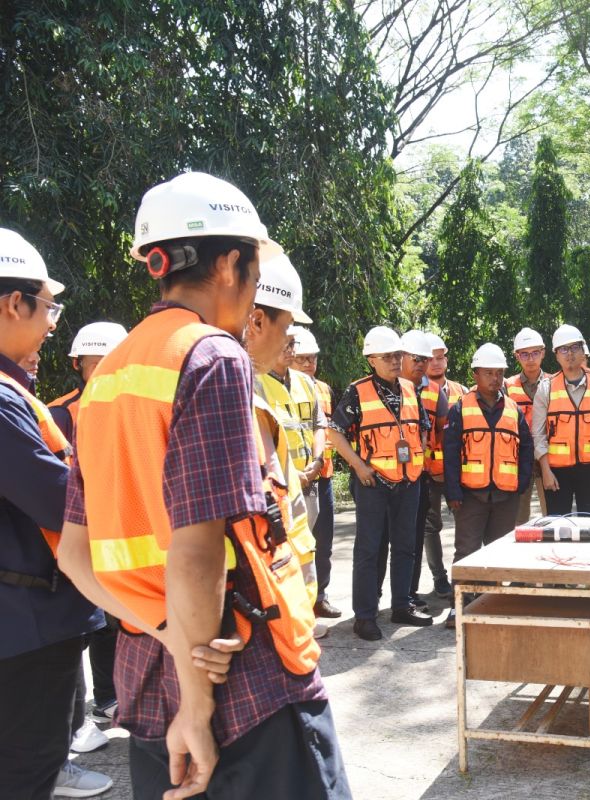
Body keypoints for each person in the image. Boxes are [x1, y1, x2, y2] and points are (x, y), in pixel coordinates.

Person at [56, 172, 348, 799]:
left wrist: (165, 633)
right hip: (243, 687)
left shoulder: (109, 374)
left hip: (148, 668)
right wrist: (197, 705)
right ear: (230, 264)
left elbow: (75, 554)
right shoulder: (212, 357)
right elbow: (195, 550)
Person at [0, 228, 110, 799]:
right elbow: (57, 497)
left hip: (25, 618)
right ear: (13, 303)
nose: (51, 322)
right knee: (26, 772)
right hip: (25, 624)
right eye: (48, 306)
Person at [47, 322, 128, 747]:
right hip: (83, 534)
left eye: (108, 362)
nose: (100, 371)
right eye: (93, 364)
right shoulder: (59, 413)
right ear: (79, 366)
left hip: (126, 531)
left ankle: (115, 698)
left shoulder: (136, 405)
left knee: (118, 621)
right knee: (90, 625)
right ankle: (92, 710)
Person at [328, 325, 433, 640]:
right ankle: (365, 616)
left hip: (408, 481)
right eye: (387, 356)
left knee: (405, 547)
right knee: (369, 550)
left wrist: (418, 458)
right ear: (371, 359)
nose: (395, 361)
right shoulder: (357, 392)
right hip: (373, 482)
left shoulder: (410, 388)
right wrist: (358, 466)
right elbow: (334, 432)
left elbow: (423, 426)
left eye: (398, 355)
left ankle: (401, 604)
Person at [251, 263, 322, 635]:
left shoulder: (303, 385)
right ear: (257, 321)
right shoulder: (243, 385)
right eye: (286, 334)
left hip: (294, 523)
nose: (289, 349)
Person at [442, 343, 534, 628]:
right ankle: (460, 606)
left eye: (499, 373)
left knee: (497, 553)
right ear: (476, 374)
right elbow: (451, 452)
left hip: (506, 496)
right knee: (466, 551)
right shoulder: (460, 409)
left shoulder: (513, 410)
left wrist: (521, 483)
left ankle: (489, 603)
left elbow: (527, 448)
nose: (495, 378)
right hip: (470, 496)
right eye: (489, 373)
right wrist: (453, 491)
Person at [533, 324, 590, 515]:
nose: (570, 354)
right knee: (558, 529)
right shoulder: (546, 388)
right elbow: (538, 434)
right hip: (556, 472)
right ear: (556, 355)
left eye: (575, 347)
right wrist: (545, 470)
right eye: (564, 349)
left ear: (583, 351)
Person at [291, 326, 342, 619]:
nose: (310, 365)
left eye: (313, 359)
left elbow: (324, 428)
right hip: (292, 480)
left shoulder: (321, 388)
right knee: (295, 544)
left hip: (322, 476)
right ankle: (296, 602)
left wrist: (319, 461)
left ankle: (319, 596)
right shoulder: (272, 385)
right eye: (303, 359)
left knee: (323, 544)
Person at [417, 332, 466, 601]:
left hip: (456, 470)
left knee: (465, 523)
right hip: (426, 471)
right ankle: (439, 578)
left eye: (440, 357)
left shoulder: (461, 391)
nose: (436, 362)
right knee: (430, 526)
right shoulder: (415, 389)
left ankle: (465, 574)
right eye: (431, 358)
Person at [393, 330, 436, 609]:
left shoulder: (424, 391)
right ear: (402, 357)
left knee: (414, 538)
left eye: (426, 360)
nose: (421, 364)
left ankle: (408, 593)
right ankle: (378, 598)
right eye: (416, 359)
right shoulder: (385, 389)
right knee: (382, 541)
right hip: (386, 480)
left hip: (417, 478)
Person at [506, 327, 550, 523]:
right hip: (518, 460)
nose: (530, 358)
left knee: (553, 516)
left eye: (535, 353)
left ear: (543, 352)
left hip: (548, 459)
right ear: (517, 356)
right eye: (524, 354)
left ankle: (552, 554)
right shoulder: (507, 386)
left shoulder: (555, 383)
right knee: (518, 520)